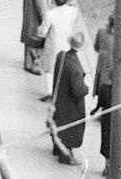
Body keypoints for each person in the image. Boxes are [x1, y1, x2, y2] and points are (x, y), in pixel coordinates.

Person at [50, 31, 89, 166]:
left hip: (60, 98)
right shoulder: (75, 68)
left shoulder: (62, 56)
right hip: (71, 105)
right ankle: (66, 155)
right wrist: (86, 88)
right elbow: (78, 90)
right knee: (70, 129)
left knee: (59, 123)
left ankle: (57, 147)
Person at [39, 0, 81, 98]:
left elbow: (43, 32)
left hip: (53, 44)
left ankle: (50, 92)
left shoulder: (50, 14)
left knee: (50, 68)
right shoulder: (73, 12)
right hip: (66, 42)